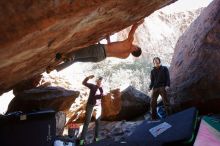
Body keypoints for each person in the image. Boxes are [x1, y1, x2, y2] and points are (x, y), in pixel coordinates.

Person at [46, 20, 144, 73]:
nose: (135, 44)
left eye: (137, 46)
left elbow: (133, 27)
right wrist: (108, 39)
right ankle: (54, 68)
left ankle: (65, 56)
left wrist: (140, 21)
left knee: (74, 55)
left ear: (136, 49)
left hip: (99, 50)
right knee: (76, 60)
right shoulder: (125, 56)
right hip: (101, 58)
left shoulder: (129, 42)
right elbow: (113, 50)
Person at [79, 75, 104, 145]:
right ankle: (81, 141)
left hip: (98, 107)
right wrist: (88, 78)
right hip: (90, 105)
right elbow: (83, 82)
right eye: (99, 81)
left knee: (98, 123)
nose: (100, 83)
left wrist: (101, 88)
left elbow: (101, 95)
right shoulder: (92, 86)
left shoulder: (102, 88)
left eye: (101, 82)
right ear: (97, 82)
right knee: (87, 122)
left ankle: (96, 139)